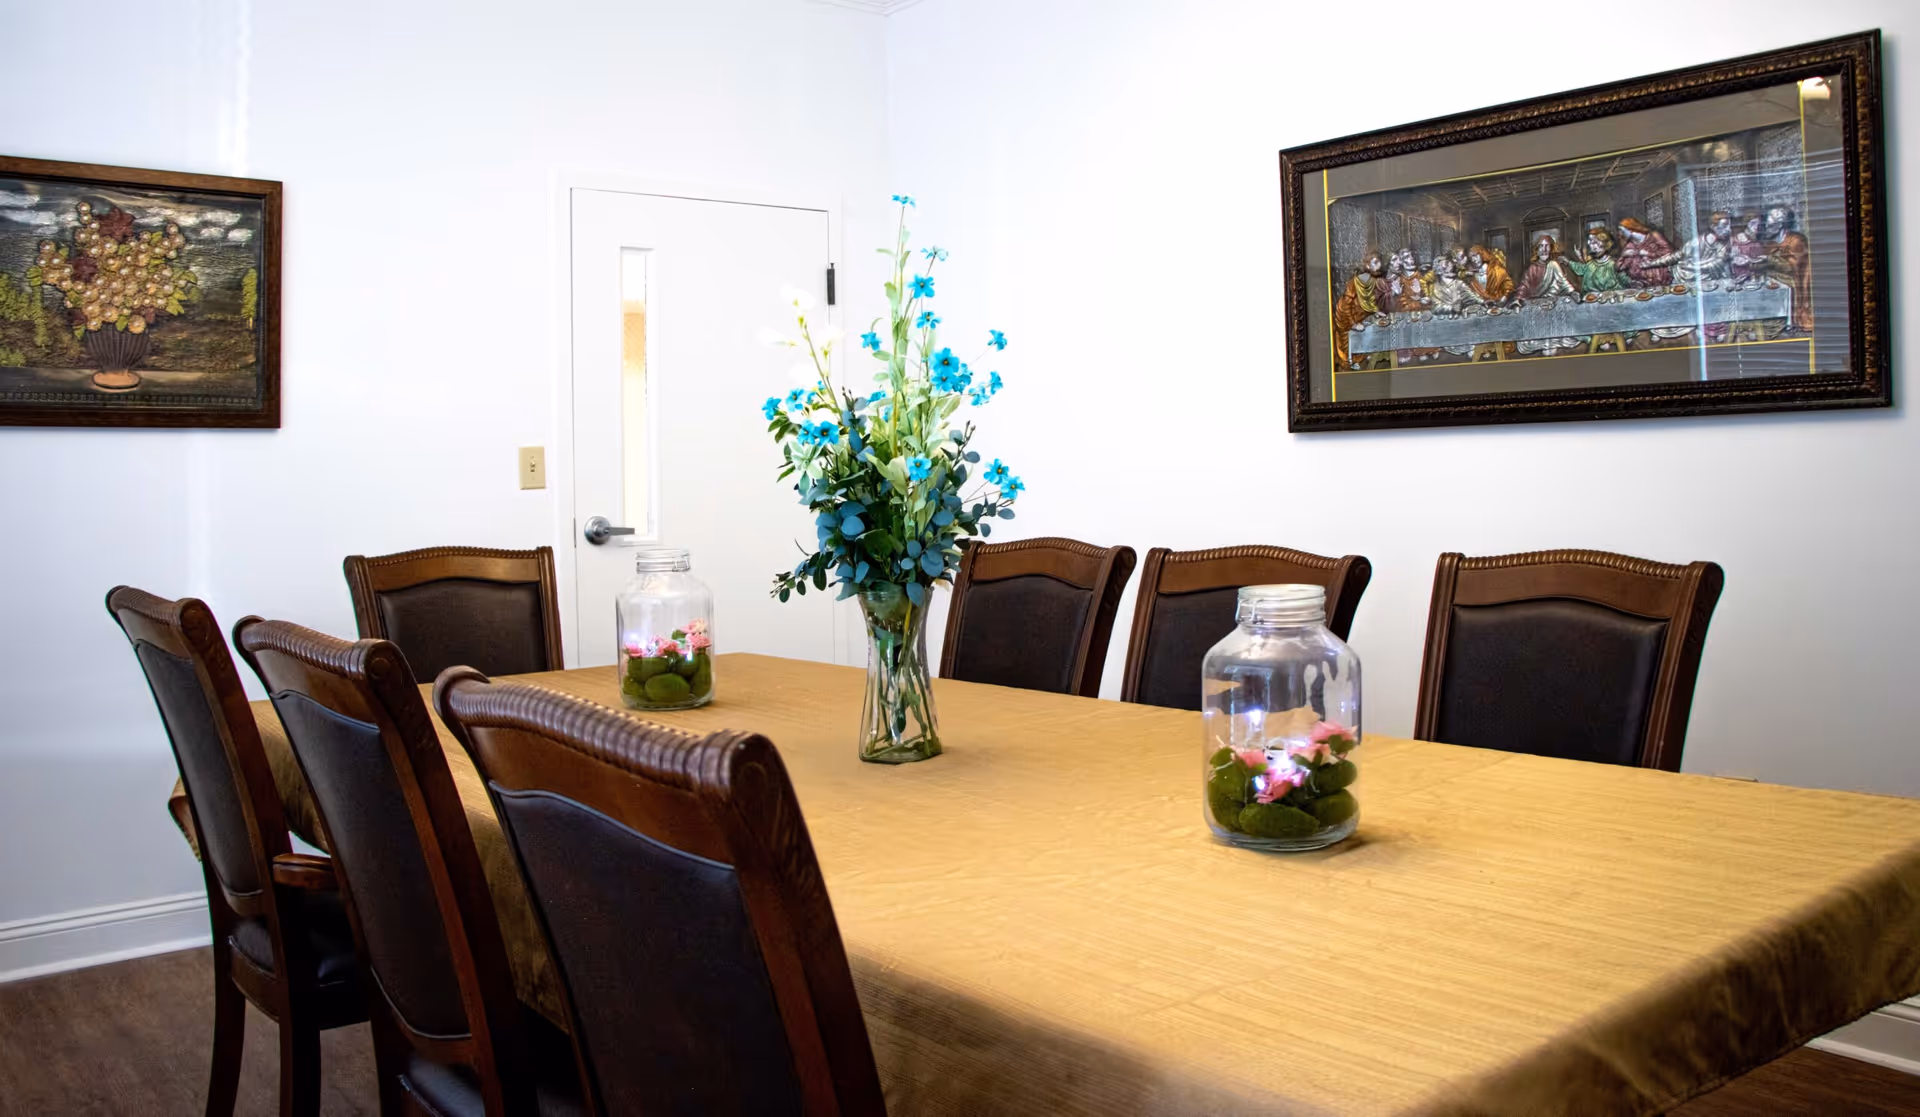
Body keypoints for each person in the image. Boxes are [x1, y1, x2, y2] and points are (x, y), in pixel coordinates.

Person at [1332, 249, 1388, 369]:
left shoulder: (1373, 280)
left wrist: (1375, 311)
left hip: (1361, 314)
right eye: (1376, 262)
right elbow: (1347, 304)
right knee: (1348, 340)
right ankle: (1348, 362)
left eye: (1380, 262)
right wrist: (1353, 324)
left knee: (1365, 333)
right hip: (1346, 315)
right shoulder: (1355, 282)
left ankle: (1359, 358)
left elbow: (1370, 300)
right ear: (1367, 265)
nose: (1379, 265)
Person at [1763, 205, 1814, 332]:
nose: (1766, 228)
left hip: (1795, 281)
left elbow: (1792, 268)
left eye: (1770, 225)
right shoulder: (1772, 242)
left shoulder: (1797, 240)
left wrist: (1769, 259)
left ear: (1780, 224)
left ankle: (1788, 322)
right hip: (1776, 279)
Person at [1514, 234, 1583, 301]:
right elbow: (1524, 286)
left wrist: (1572, 292)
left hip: (1554, 301)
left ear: (1551, 249)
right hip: (1537, 303)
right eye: (1541, 246)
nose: (1544, 250)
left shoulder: (1554, 265)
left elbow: (1563, 282)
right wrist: (1518, 298)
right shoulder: (1532, 269)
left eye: (1547, 246)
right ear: (1537, 250)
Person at [1616, 217, 1674, 287]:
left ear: (1630, 229)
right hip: (1640, 282)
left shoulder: (1653, 236)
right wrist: (1623, 255)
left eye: (1622, 231)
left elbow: (1668, 251)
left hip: (1659, 277)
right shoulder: (1630, 245)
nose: (1620, 234)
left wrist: (1648, 253)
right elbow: (1620, 267)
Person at [1568, 227, 1627, 292]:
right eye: (1590, 243)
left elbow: (1624, 280)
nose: (1592, 247)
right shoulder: (1590, 264)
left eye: (1595, 243)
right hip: (1590, 300)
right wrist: (1567, 262)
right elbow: (1581, 268)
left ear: (1606, 244)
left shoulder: (1613, 265)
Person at [1728, 214, 1767, 285]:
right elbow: (1729, 258)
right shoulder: (1733, 240)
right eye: (1753, 223)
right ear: (1746, 224)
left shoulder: (1756, 243)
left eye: (1758, 224)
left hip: (1751, 278)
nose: (1756, 227)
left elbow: (1761, 262)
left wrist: (1749, 260)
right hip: (1736, 276)